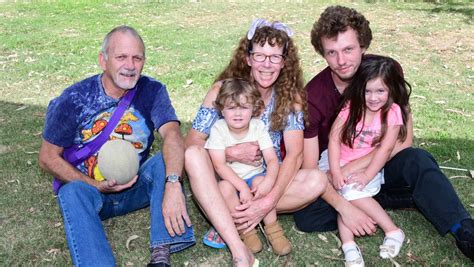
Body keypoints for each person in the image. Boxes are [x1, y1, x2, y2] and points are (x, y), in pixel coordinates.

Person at [297, 5, 473, 261]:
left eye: (348, 49)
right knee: (307, 215)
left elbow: (404, 141)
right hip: (335, 172)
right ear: (322, 54)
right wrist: (344, 203)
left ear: (363, 46)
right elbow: (311, 169)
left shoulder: (387, 72)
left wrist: (360, 168)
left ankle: (464, 231)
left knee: (418, 160)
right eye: (332, 53)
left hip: (381, 163)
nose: (342, 60)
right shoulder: (313, 97)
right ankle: (391, 201)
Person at [38, 25, 195, 266]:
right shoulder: (74, 99)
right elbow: (47, 157)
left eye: (137, 58)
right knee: (70, 192)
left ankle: (161, 254)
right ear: (104, 60)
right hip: (91, 194)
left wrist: (173, 184)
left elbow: (172, 134)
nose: (130, 65)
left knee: (167, 159)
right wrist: (95, 185)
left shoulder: (152, 91)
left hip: (135, 187)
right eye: (121, 57)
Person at [185, 18, 327, 266]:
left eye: (275, 57)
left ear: (284, 63)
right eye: (260, 56)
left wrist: (267, 201)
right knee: (194, 156)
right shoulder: (223, 91)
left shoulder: (289, 97)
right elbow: (193, 143)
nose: (267, 64)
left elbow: (294, 156)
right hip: (225, 181)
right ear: (248, 58)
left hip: (265, 181)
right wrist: (230, 153)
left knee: (317, 179)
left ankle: (237, 217)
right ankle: (237, 223)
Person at [324, 56, 409, 265]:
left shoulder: (393, 113)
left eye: (380, 91)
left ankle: (392, 231)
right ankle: (349, 246)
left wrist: (367, 174)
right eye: (368, 91)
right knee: (337, 192)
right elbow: (334, 140)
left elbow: (385, 148)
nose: (373, 97)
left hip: (367, 165)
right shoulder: (351, 107)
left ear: (390, 90)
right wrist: (335, 170)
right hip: (335, 160)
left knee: (349, 192)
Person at [205, 78, 291, 256]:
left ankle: (273, 230)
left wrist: (269, 181)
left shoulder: (257, 127)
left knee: (261, 181)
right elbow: (219, 165)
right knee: (223, 187)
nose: (238, 113)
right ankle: (246, 231)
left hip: (254, 177)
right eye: (231, 107)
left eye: (243, 107)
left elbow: (272, 160)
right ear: (221, 109)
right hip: (232, 181)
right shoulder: (218, 129)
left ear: (254, 108)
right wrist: (242, 187)